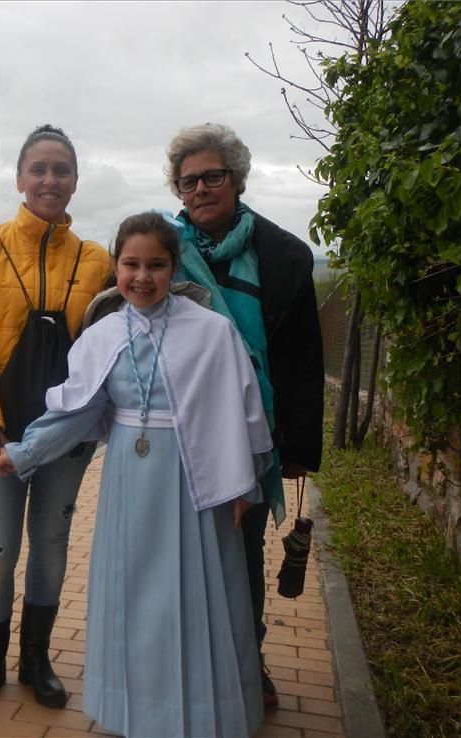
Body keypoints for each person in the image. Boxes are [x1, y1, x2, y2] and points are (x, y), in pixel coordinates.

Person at [0, 211, 272, 738]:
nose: (141, 277)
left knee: (193, 595)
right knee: (133, 595)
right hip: (129, 478)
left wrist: (244, 483)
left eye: (156, 265)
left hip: (196, 480)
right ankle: (134, 712)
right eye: (131, 264)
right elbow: (75, 410)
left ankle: (201, 713)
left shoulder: (212, 331)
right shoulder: (103, 335)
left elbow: (241, 410)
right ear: (116, 266)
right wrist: (24, 452)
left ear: (174, 269)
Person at [0, 124, 112, 711]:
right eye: (38, 169)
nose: (49, 179)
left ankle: (35, 658)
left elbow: (115, 341)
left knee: (50, 542)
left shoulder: (97, 259)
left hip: (65, 434)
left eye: (61, 170)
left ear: (74, 182)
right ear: (19, 179)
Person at [164, 123, 325, 708]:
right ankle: (180, 657)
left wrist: (303, 444)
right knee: (180, 551)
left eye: (213, 176)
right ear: (178, 190)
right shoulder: (162, 248)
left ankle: (246, 656)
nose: (201, 188)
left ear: (236, 179)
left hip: (251, 434)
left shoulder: (281, 256)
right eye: (189, 181)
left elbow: (304, 355)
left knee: (242, 549)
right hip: (175, 431)